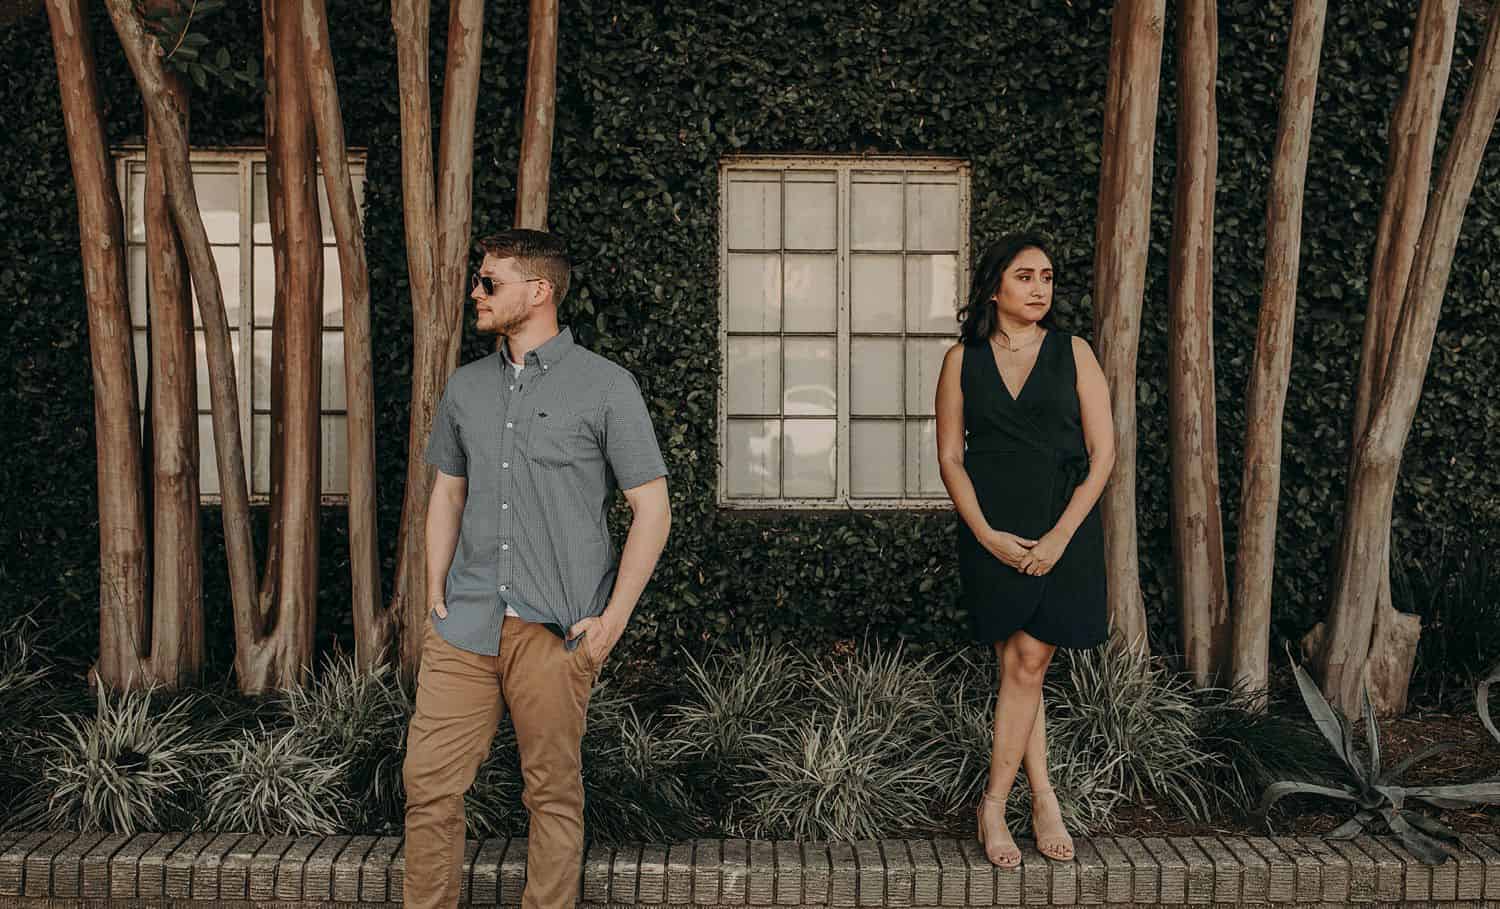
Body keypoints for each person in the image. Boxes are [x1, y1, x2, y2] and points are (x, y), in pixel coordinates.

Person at [402, 229, 672, 909]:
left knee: (551, 793)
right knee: (429, 785)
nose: (476, 293)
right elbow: (448, 492)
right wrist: (433, 584)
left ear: (539, 291)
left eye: (490, 282)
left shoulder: (607, 387)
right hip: (463, 624)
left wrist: (611, 621)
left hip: (554, 632)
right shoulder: (467, 388)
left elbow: (653, 510)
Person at [934, 233, 1114, 867]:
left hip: (1063, 524)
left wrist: (1062, 535)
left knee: (1031, 656)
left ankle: (993, 804)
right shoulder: (962, 359)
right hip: (992, 526)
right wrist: (984, 534)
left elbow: (1104, 456)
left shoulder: (1075, 353)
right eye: (1024, 277)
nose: (1039, 288)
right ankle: (1043, 797)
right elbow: (951, 457)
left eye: (1046, 276)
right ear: (994, 287)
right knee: (1019, 663)